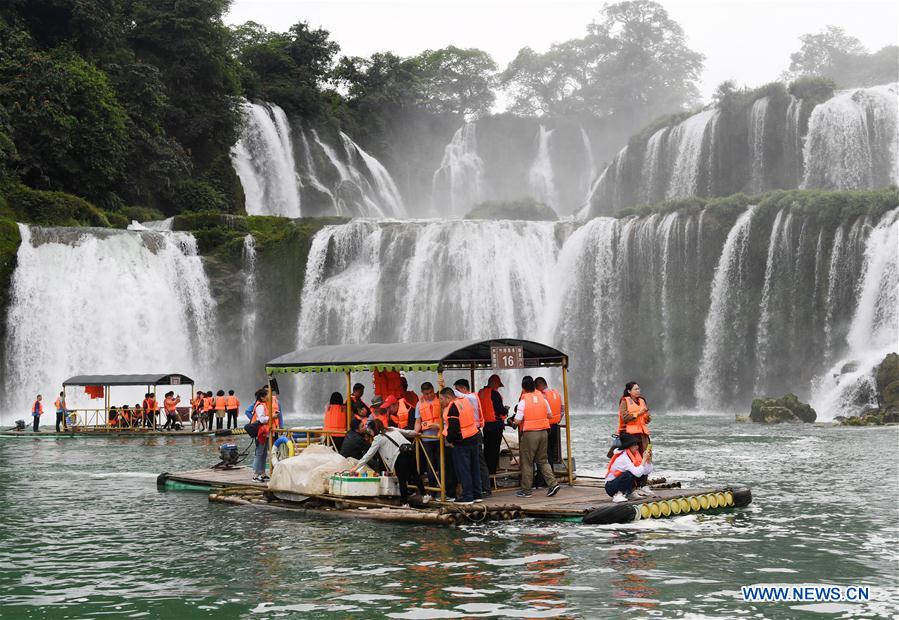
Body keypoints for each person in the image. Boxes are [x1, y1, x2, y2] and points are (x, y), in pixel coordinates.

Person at [351, 419, 430, 507]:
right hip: (410, 450)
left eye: (370, 431)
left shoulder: (378, 438)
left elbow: (368, 455)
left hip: (399, 456)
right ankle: (425, 495)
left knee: (402, 480)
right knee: (415, 474)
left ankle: (405, 503)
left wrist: (356, 467)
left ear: (373, 430)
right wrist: (416, 433)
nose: (370, 433)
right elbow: (407, 432)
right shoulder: (391, 429)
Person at [510, 376, 561, 499]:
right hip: (544, 432)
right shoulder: (543, 398)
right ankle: (553, 484)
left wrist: (511, 422)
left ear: (523, 388)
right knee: (543, 460)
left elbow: (517, 420)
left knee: (527, 462)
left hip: (530, 434)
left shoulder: (523, 401)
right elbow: (550, 415)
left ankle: (526, 490)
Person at [440, 387, 481, 505]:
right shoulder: (465, 401)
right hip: (473, 437)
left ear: (448, 397)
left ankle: (467, 496)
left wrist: (450, 440)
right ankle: (477, 494)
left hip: (461, 442)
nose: (440, 402)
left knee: (463, 470)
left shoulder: (453, 407)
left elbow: (453, 428)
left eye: (441, 399)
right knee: (474, 468)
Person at [414, 382, 455, 492]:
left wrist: (439, 426)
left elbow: (446, 418)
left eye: (431, 392)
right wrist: (415, 432)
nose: (429, 395)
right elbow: (418, 421)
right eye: (426, 394)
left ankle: (443, 488)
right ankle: (433, 490)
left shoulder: (440, 400)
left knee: (441, 462)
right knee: (430, 463)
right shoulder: (419, 404)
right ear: (422, 393)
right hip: (426, 438)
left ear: (433, 390)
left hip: (439, 436)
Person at [454, 379, 491, 496]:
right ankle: (476, 488)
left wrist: (447, 390)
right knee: (473, 462)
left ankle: (485, 488)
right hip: (470, 433)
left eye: (457, 389)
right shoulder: (467, 398)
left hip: (475, 432)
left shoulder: (471, 397)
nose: (456, 392)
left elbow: (458, 395)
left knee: (479, 462)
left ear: (464, 389)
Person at [605, 432, 654, 502]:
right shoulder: (623, 457)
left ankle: (630, 493)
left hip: (618, 483)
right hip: (611, 487)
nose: (637, 447)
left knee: (640, 470)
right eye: (634, 445)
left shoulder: (634, 454)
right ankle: (618, 495)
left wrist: (648, 461)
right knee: (628, 474)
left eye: (637, 444)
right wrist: (644, 459)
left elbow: (646, 472)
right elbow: (638, 473)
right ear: (628, 446)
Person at [477, 374, 507, 475]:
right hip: (495, 426)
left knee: (487, 450)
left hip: (486, 426)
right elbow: (500, 410)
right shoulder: (494, 394)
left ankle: (485, 474)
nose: (498, 387)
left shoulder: (480, 393)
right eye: (498, 385)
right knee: (494, 451)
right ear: (494, 383)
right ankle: (492, 474)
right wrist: (506, 410)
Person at [535, 377, 563, 464]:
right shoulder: (556, 393)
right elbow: (562, 409)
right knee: (552, 450)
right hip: (555, 426)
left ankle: (548, 471)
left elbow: (540, 411)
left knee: (546, 452)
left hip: (546, 427)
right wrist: (558, 419)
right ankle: (552, 469)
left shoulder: (542, 396)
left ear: (539, 386)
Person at [618, 382, 651, 455]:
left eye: (638, 389)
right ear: (629, 391)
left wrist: (647, 416)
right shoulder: (624, 401)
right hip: (630, 435)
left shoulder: (642, 401)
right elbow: (624, 418)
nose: (638, 391)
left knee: (646, 455)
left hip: (643, 435)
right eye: (635, 389)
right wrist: (639, 413)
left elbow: (647, 420)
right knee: (634, 456)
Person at [251, 388, 271, 482]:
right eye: (267, 395)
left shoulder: (264, 405)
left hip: (265, 432)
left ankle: (262, 473)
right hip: (260, 433)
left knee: (264, 453)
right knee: (259, 453)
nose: (269, 396)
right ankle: (255, 475)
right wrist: (270, 417)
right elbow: (261, 419)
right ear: (262, 397)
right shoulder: (260, 406)